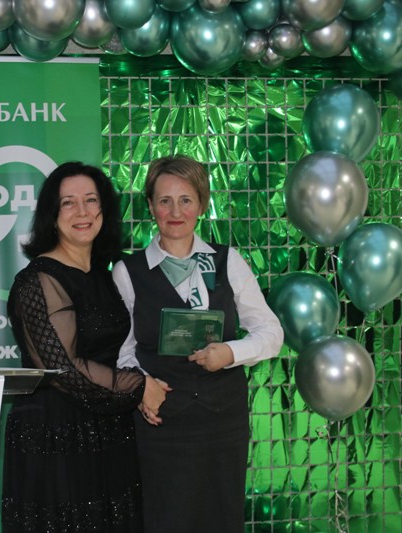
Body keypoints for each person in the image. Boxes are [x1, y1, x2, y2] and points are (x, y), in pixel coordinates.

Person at [112, 155, 284, 533]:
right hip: (162, 424)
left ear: (202, 205)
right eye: (165, 201)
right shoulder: (128, 272)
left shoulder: (228, 261)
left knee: (221, 520)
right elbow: (123, 350)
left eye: (186, 200)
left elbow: (271, 332)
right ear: (151, 206)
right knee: (165, 520)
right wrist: (141, 385)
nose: (176, 212)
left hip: (223, 423)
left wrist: (231, 352)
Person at [2, 161, 169, 533]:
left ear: (103, 210)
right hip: (55, 437)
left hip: (110, 430)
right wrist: (140, 387)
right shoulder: (38, 280)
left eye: (91, 200)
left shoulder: (104, 275)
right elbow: (64, 369)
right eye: (68, 202)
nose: (82, 211)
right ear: (52, 214)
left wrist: (138, 387)